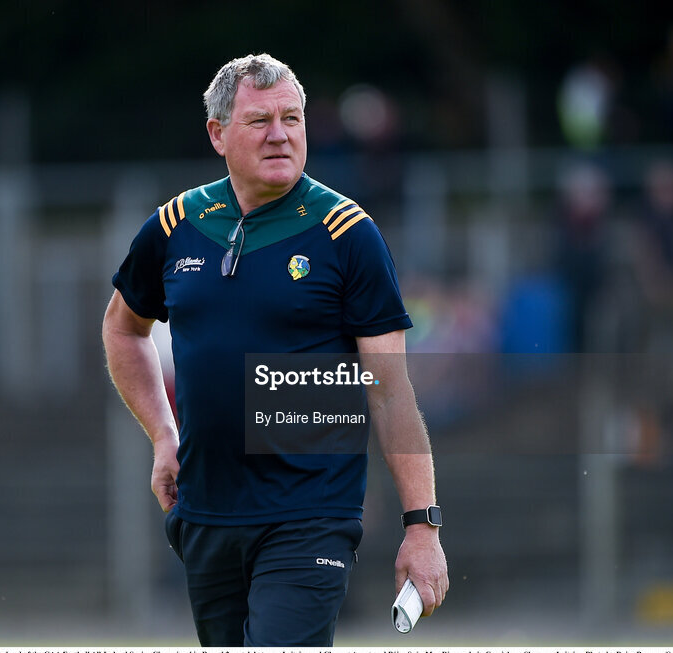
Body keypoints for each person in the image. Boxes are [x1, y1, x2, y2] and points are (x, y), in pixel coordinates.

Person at [102, 53, 448, 646]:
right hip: (206, 514)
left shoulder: (348, 234)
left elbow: (391, 393)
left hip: (309, 517)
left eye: (293, 118)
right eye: (261, 120)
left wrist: (423, 528)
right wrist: (163, 434)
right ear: (218, 134)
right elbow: (122, 329)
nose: (281, 134)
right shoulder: (175, 226)